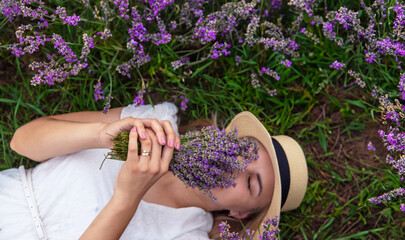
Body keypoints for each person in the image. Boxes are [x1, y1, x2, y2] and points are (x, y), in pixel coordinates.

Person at [0, 102, 308, 240]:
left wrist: (126, 198)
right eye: (243, 151)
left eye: (251, 183)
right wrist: (100, 134)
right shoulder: (154, 124)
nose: (236, 166)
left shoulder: (185, 234)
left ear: (239, 214)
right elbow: (22, 142)